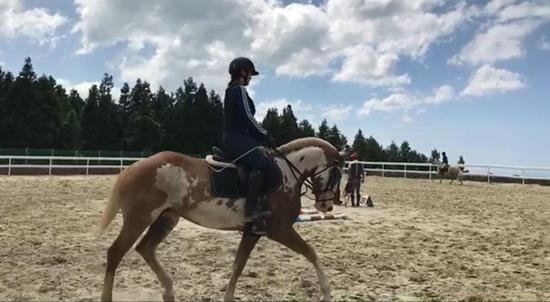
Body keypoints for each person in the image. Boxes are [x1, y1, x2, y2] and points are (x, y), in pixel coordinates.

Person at [222, 57, 270, 235]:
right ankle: (251, 211)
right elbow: (247, 116)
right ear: (243, 72)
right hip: (237, 137)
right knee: (261, 162)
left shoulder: (231, 90)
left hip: (237, 137)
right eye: (250, 73)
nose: (251, 78)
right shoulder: (239, 89)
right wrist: (264, 134)